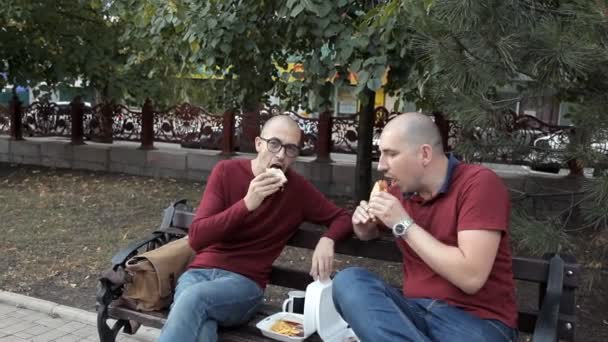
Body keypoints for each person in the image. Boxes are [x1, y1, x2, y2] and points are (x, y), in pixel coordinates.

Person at [159, 115, 353, 342]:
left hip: (244, 285)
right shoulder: (226, 172)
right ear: (259, 144)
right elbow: (197, 237)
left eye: (290, 149)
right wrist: (247, 204)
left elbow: (342, 218)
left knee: (192, 301)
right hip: (198, 275)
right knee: (201, 326)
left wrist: (327, 239)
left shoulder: (298, 190)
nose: (280, 155)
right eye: (274, 144)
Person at [332, 113, 517, 342]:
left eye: (391, 154)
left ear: (425, 154)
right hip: (414, 315)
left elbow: (471, 278)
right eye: (381, 154)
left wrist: (403, 224)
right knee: (349, 282)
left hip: (475, 323)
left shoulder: (479, 184)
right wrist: (363, 226)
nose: (381, 165)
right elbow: (370, 231)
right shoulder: (399, 192)